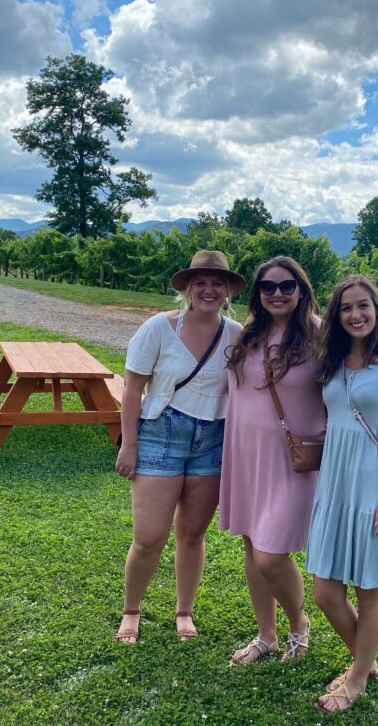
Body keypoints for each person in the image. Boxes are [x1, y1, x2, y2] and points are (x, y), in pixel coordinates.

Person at [304, 274, 378, 713]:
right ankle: (365, 659)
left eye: (364, 306)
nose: (356, 315)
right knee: (325, 592)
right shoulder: (331, 363)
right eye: (346, 308)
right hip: (335, 487)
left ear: (377, 311)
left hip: (377, 488)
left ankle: (357, 679)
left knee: (368, 589)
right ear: (336, 317)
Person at [114, 250, 246, 644]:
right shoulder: (159, 328)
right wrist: (130, 446)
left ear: (227, 292)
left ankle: (184, 611)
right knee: (149, 537)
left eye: (217, 283)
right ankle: (131, 611)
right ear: (187, 288)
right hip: (160, 434)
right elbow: (133, 388)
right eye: (200, 282)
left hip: (212, 440)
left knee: (192, 534)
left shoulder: (236, 335)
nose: (209, 289)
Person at [219, 256, 325, 665]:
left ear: (301, 290)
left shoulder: (320, 335)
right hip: (244, 454)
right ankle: (266, 634)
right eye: (268, 287)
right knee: (251, 544)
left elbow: (353, 377)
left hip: (292, 458)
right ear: (257, 294)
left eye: (286, 286)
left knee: (270, 553)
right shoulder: (249, 333)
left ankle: (299, 624)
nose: (277, 294)